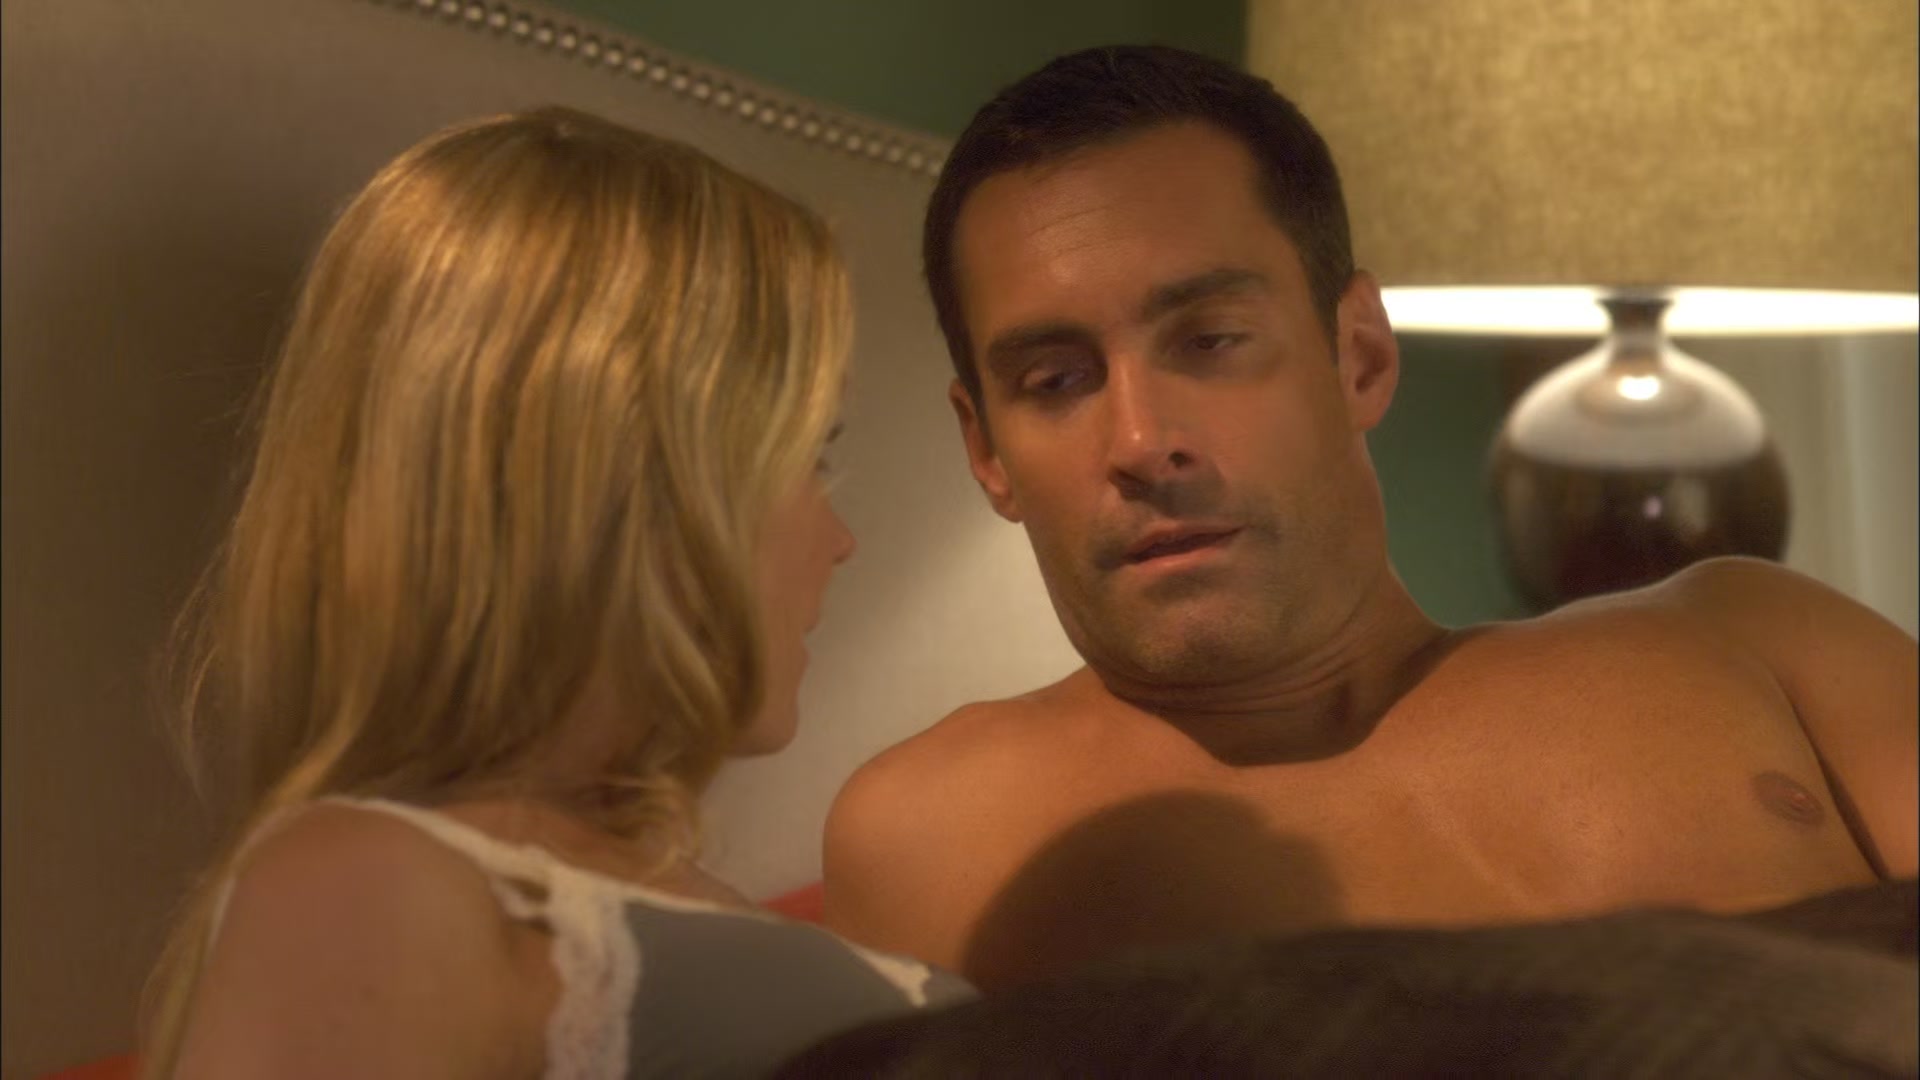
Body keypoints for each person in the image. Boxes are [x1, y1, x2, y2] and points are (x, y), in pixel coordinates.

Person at [821, 45, 1919, 992]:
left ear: (1359, 356)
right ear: (987, 451)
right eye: (1057, 380)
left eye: (1208, 341)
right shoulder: (944, 834)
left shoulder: (1759, 637)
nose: (1142, 442)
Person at [139, 106, 970, 1080]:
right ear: (631, 475)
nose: (841, 541)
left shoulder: (584, 896)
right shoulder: (370, 882)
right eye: (808, 453)